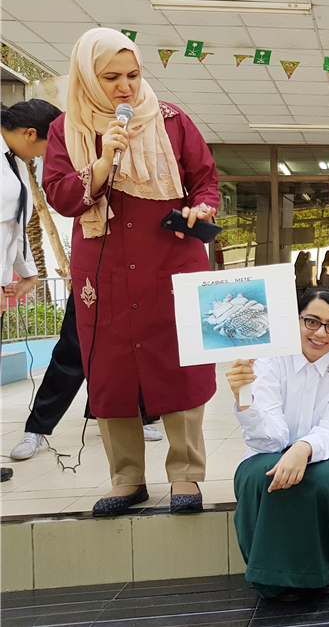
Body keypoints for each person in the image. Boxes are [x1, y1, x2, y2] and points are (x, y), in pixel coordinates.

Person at [41, 28, 219, 517]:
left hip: (171, 257)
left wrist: (202, 207)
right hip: (104, 269)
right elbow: (60, 194)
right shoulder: (66, 129)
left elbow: (204, 180)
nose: (126, 87)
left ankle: (185, 472)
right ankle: (126, 479)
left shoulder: (172, 120)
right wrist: (101, 163)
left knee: (180, 361)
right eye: (111, 77)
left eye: (133, 75)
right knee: (110, 366)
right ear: (87, 78)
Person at [225, 287, 329, 601]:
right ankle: (270, 580)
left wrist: (303, 449)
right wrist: (244, 399)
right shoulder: (269, 361)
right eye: (311, 321)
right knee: (257, 476)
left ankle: (317, 574)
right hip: (269, 450)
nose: (320, 333)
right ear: (295, 320)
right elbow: (269, 438)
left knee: (323, 482)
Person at [10, 293, 164, 461]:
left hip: (129, 287)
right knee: (71, 354)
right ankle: (36, 428)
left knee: (127, 353)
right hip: (89, 285)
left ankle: (132, 422)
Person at [1, 98, 63, 482]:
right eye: (44, 146)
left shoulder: (16, 163)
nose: (43, 155)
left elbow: (14, 226)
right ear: (29, 134)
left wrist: (28, 273)